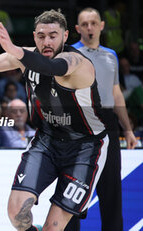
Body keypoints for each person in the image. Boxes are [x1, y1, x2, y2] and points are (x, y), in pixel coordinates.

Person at [0, 9, 109, 231]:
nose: (47, 41)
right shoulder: (27, 56)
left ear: (65, 36)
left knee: (53, 227)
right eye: (41, 36)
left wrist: (14, 49)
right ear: (34, 37)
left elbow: (52, 68)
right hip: (47, 141)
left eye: (53, 35)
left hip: (86, 147)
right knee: (16, 213)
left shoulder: (78, 63)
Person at [66, 8, 137, 231]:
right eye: (84, 24)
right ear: (77, 28)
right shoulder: (69, 54)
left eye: (93, 23)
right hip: (79, 122)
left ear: (101, 25)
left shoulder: (111, 55)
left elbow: (116, 93)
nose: (89, 28)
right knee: (73, 185)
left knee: (111, 186)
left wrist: (128, 129)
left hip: (108, 123)